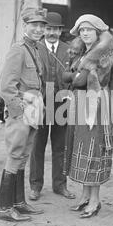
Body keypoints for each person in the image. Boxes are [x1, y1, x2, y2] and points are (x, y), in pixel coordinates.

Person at [62, 14, 113, 218]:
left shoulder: (103, 53)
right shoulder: (83, 53)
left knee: (93, 148)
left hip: (96, 105)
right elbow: (66, 76)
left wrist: (75, 76)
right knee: (82, 145)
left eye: (89, 30)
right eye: (82, 30)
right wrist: (75, 76)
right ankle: (85, 196)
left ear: (98, 32)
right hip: (80, 103)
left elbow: (78, 79)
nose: (85, 33)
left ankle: (95, 200)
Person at [0, 7, 47, 222]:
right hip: (22, 111)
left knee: (24, 156)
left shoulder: (34, 49)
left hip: (34, 109)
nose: (38, 29)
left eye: (41, 25)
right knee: (15, 155)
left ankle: (19, 203)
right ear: (24, 26)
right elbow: (7, 86)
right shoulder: (18, 49)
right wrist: (18, 113)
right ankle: (5, 209)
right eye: (34, 25)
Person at [29, 12, 75, 201]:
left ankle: (60, 185)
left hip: (61, 102)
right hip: (39, 102)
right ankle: (35, 186)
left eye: (55, 29)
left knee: (60, 147)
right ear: (43, 29)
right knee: (36, 146)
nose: (51, 32)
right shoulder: (34, 48)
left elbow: (75, 74)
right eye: (48, 29)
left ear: (60, 30)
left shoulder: (69, 49)